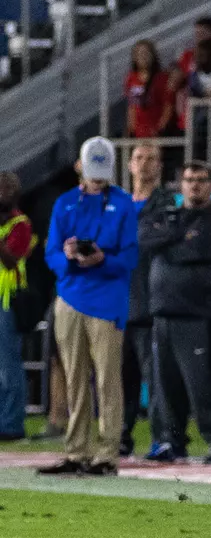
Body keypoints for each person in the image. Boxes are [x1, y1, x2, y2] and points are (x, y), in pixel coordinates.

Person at [38, 138, 139, 477]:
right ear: (79, 167)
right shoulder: (65, 203)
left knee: (108, 378)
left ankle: (107, 454)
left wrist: (102, 259)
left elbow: (130, 256)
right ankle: (76, 450)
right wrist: (67, 257)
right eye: (92, 172)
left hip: (107, 301)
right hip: (69, 298)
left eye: (102, 174)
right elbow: (50, 251)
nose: (97, 180)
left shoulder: (123, 204)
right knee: (74, 378)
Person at [141, 161, 211, 464]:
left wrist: (170, 241)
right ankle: (171, 440)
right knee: (165, 385)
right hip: (163, 313)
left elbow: (196, 251)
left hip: (198, 314)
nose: (194, 185)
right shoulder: (171, 216)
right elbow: (144, 239)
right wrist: (178, 237)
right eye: (189, 179)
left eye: (201, 180)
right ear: (180, 185)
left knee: (203, 382)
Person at [120, 144, 164, 457]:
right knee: (120, 379)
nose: (144, 164)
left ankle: (161, 437)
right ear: (129, 165)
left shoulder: (166, 205)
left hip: (151, 306)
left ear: (159, 166)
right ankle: (120, 435)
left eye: (150, 158)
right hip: (118, 306)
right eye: (139, 158)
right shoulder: (118, 205)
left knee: (156, 378)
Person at [0, 172, 34, 442]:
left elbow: (12, 260)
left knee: (9, 364)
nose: (4, 192)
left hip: (7, 301)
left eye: (9, 187)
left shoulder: (21, 224)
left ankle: (12, 424)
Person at [125, 40, 172, 139]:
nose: (143, 57)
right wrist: (131, 128)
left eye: (146, 53)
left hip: (155, 131)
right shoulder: (131, 78)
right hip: (138, 131)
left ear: (153, 56)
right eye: (139, 54)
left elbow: (168, 105)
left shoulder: (162, 78)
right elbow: (131, 106)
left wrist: (160, 128)